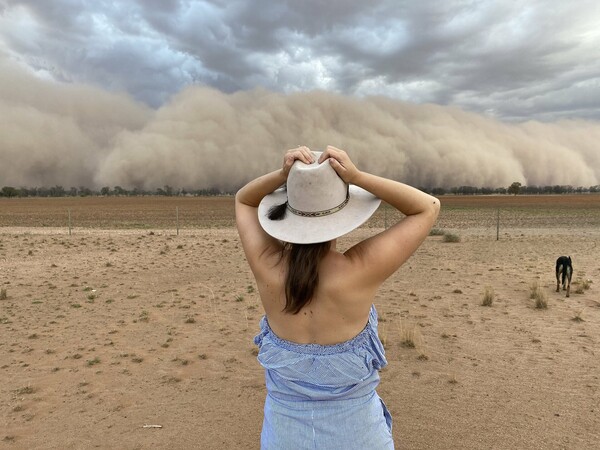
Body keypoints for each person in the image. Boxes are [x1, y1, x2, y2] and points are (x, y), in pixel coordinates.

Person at [235, 145, 440, 449]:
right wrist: (357, 176)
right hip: (359, 436)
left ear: (290, 211)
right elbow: (428, 206)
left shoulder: (268, 266)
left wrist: (283, 174)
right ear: (341, 214)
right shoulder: (359, 269)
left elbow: (243, 200)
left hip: (285, 436)